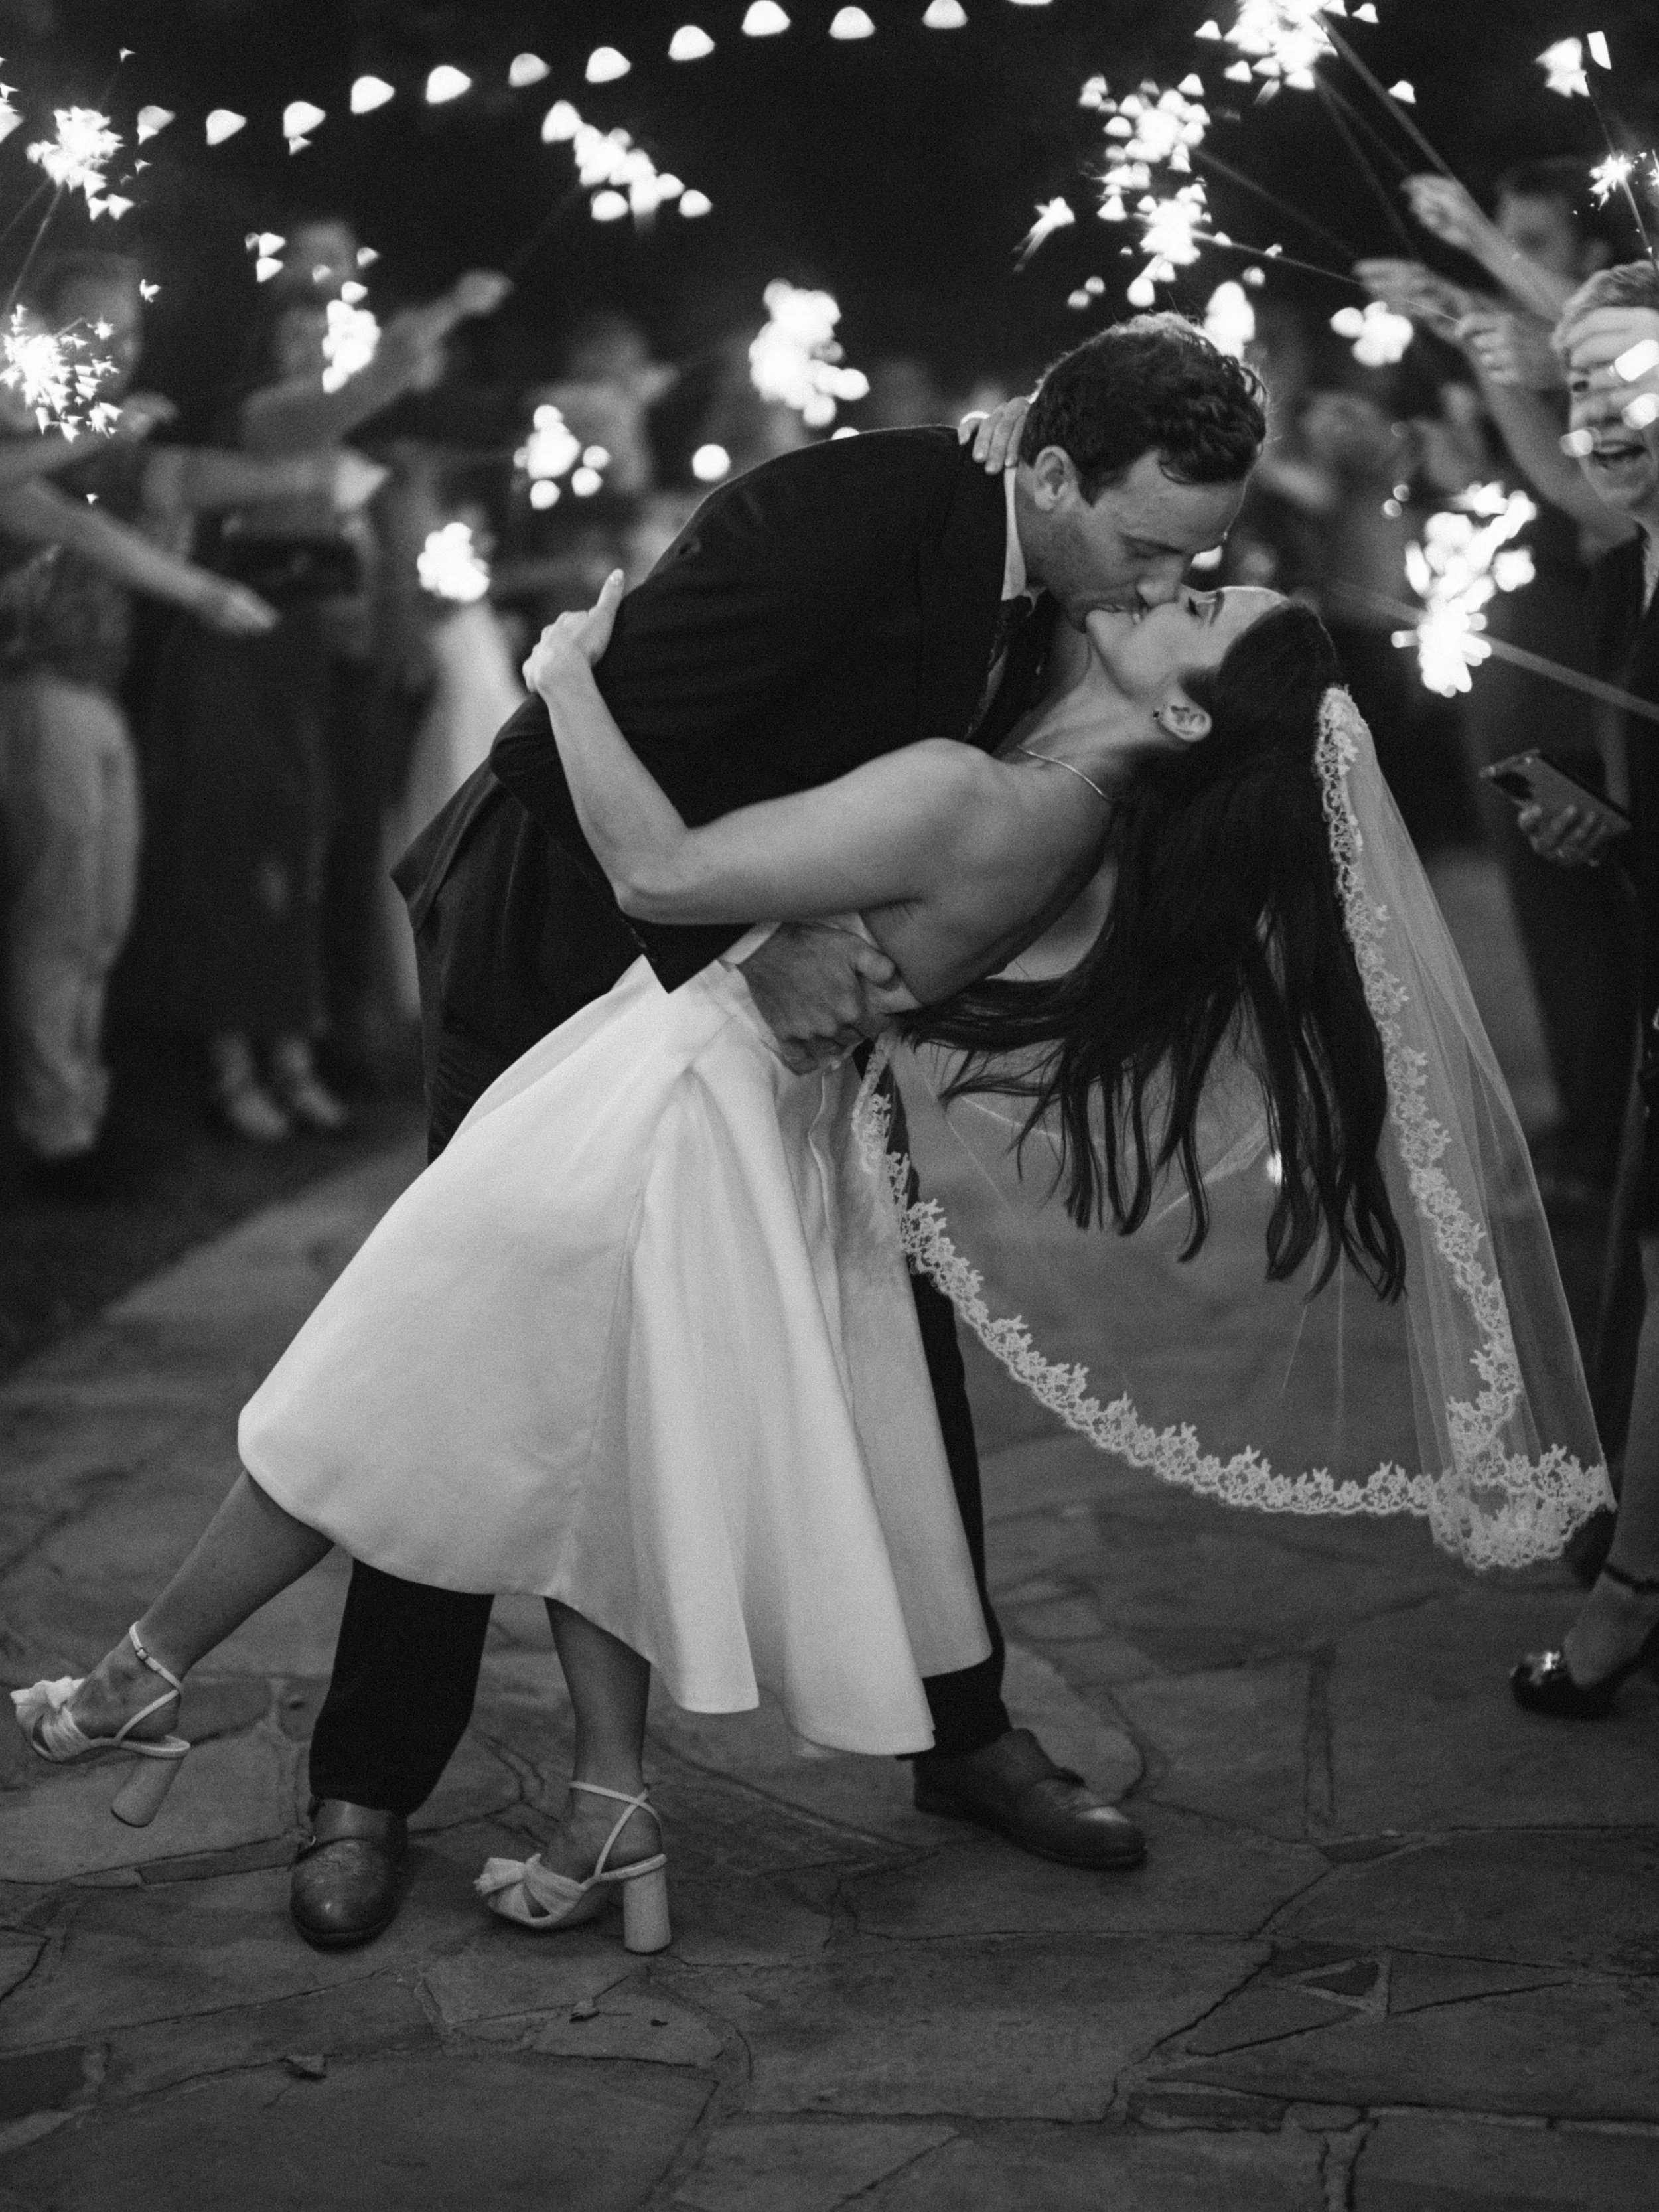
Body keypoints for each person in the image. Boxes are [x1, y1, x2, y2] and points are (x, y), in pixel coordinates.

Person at [13, 539, 1605, 1951]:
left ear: (1185, 714)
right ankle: (602, 1800)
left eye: (1195, 602)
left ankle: (133, 1681)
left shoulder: (973, 793)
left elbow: (656, 871)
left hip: (649, 1113)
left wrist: (566, 674)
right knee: (596, 1465)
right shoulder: (1068, 813)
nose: (1162, 579)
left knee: (367, 1391)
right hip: (721, 1116)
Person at [58, 317, 1273, 1943]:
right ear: (1049, 474)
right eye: (1144, 545)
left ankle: (955, 1728)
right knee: (472, 1354)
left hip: (770, 1011)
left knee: (886, 1334)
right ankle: (367, 1781)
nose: (1153, 583)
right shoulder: (842, 521)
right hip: (562, 953)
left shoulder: (1061, 579)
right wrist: (751, 948)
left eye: (1191, 561)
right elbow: (536, 747)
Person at [0, 250, 294, 1199]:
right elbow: (69, 524)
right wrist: (202, 589)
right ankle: (57, 1138)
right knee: (60, 917)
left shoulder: (99, 444)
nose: (120, 352)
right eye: (96, 331)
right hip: (36, 691)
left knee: (101, 922)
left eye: (130, 333)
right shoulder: (26, 429)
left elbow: (153, 500)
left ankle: (82, 1116)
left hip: (97, 694)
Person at [1511, 263, 1659, 1715]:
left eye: (1634, 380)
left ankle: (1624, 1597)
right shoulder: (1630, 562)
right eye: (1580, 392)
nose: (1601, 414)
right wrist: (1607, 831)